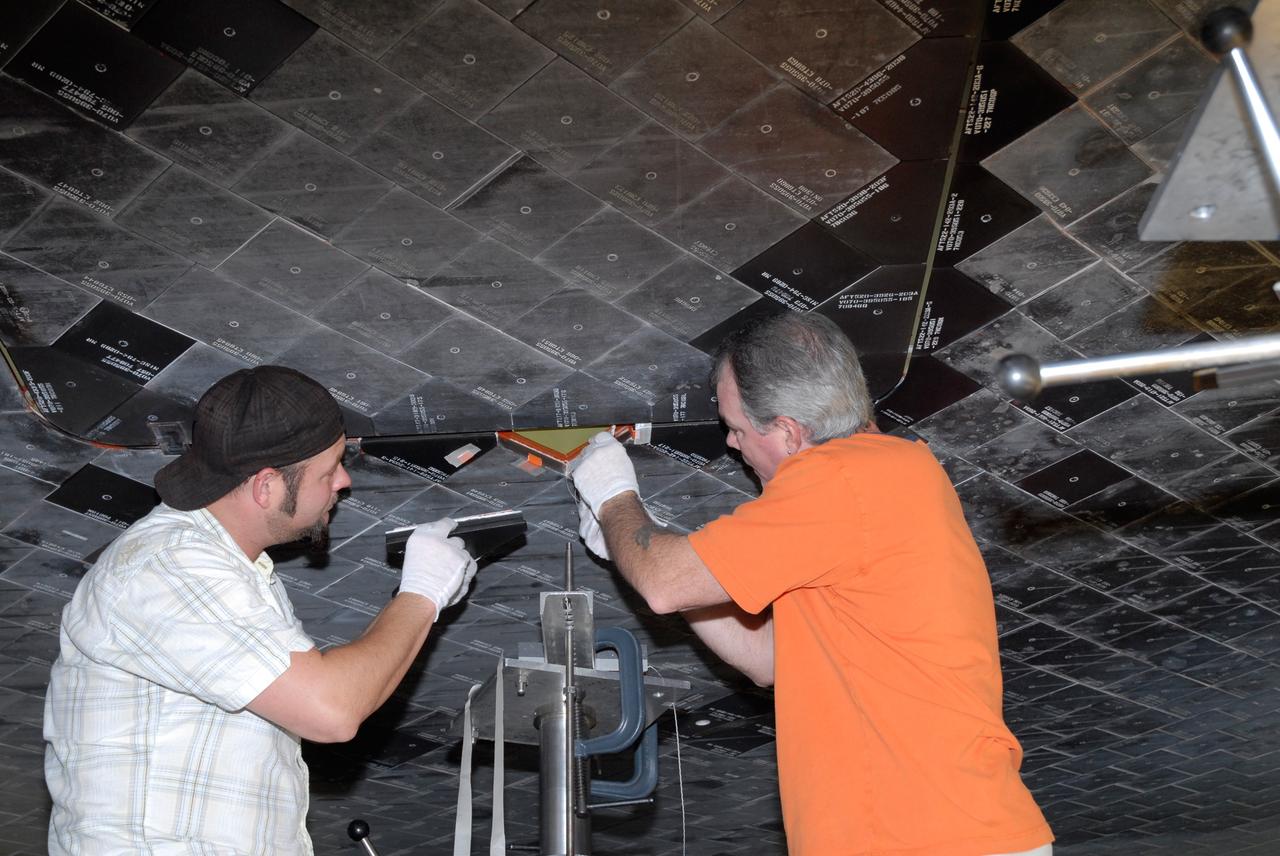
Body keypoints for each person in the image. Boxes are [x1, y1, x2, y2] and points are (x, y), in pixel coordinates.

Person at [570, 312, 1054, 856]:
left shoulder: (843, 479)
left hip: (927, 834)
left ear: (789, 433)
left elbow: (663, 584)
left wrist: (614, 497)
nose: (732, 444)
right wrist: (638, 553)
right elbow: (767, 658)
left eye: (736, 428)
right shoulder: (884, 480)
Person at [44, 365, 479, 855]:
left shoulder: (229, 570)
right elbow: (332, 711)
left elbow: (324, 685)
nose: (344, 481)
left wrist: (417, 598)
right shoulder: (170, 566)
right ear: (266, 486)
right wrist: (421, 595)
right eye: (329, 468)